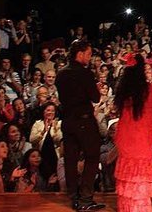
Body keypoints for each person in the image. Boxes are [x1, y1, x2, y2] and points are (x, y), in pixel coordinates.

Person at [55, 40, 104, 211]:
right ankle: (85, 198)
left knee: (70, 159)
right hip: (83, 120)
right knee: (92, 156)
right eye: (89, 54)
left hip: (67, 121)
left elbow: (62, 99)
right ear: (80, 53)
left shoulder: (60, 74)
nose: (90, 58)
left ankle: (74, 197)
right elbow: (96, 98)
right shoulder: (85, 74)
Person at [114, 52, 152, 211]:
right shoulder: (151, 90)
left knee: (127, 175)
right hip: (143, 136)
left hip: (126, 135)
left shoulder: (122, 91)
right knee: (140, 176)